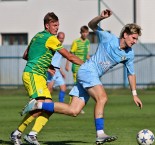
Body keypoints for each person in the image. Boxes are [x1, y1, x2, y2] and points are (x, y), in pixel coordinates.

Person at [21, 9, 143, 145]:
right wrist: (100, 17)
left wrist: (134, 94)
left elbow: (131, 74)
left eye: (136, 39)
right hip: (88, 70)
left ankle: (38, 107)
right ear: (125, 35)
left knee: (73, 110)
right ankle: (100, 134)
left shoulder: (129, 54)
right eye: (133, 38)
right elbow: (92, 25)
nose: (135, 41)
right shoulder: (109, 37)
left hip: (91, 75)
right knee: (102, 98)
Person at [10, 12, 83, 145]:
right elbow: (69, 56)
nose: (57, 28)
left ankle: (32, 135)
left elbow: (26, 54)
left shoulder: (37, 36)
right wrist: (87, 65)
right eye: (54, 25)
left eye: (58, 25)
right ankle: (17, 134)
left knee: (49, 106)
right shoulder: (51, 38)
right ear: (47, 25)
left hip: (37, 75)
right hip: (33, 74)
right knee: (39, 107)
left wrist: (46, 64)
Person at [65, 25, 90, 113]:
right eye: (83, 32)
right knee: (77, 85)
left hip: (84, 67)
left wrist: (90, 62)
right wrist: (67, 64)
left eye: (86, 32)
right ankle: (71, 104)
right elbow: (70, 54)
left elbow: (86, 55)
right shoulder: (76, 42)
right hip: (76, 67)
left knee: (83, 86)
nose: (85, 34)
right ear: (81, 33)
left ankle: (78, 105)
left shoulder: (87, 42)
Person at [47, 32, 67, 102]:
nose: (61, 40)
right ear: (57, 38)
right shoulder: (53, 47)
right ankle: (45, 104)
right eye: (60, 38)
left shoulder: (61, 47)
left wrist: (62, 71)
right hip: (52, 71)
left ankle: (61, 104)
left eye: (63, 38)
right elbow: (48, 59)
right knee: (49, 89)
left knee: (63, 87)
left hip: (57, 71)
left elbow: (57, 62)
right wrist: (49, 69)